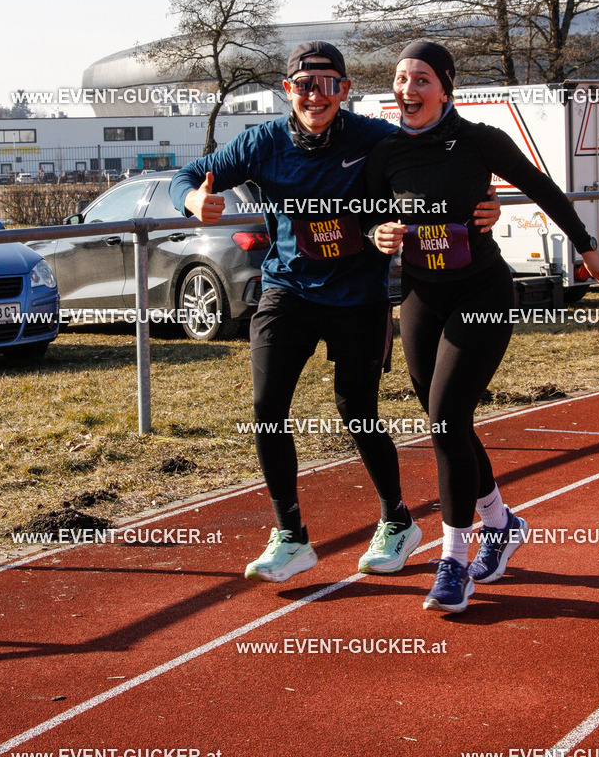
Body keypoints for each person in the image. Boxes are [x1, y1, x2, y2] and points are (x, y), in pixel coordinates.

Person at [170, 41, 501, 584]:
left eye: (328, 85)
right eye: (304, 85)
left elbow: (439, 160)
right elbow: (187, 176)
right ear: (288, 90)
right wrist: (192, 202)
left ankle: (397, 521)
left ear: (344, 90)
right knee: (267, 406)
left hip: (357, 296)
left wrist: (480, 201)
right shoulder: (261, 142)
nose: (315, 96)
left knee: (357, 411)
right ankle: (290, 536)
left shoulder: (373, 137)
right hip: (288, 291)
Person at [365, 40, 599, 613]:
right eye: (401, 79)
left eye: (422, 79)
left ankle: (455, 561)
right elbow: (367, 212)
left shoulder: (480, 140)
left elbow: (541, 187)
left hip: (480, 293)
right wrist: (375, 232)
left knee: (445, 420)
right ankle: (501, 524)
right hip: (419, 296)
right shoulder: (385, 150)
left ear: (445, 88)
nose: (408, 89)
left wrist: (588, 247)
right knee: (447, 422)